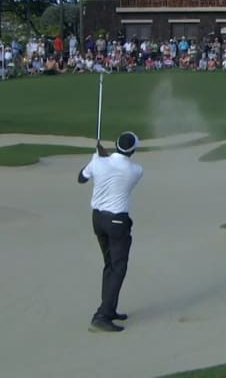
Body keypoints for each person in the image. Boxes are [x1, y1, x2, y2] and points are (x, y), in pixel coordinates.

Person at [78, 132, 144, 333]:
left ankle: (110, 307)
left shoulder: (98, 162)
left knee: (110, 264)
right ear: (133, 150)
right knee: (118, 267)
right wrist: (102, 158)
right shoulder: (136, 170)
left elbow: (81, 178)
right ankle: (102, 315)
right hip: (117, 222)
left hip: (98, 220)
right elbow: (117, 170)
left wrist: (96, 159)